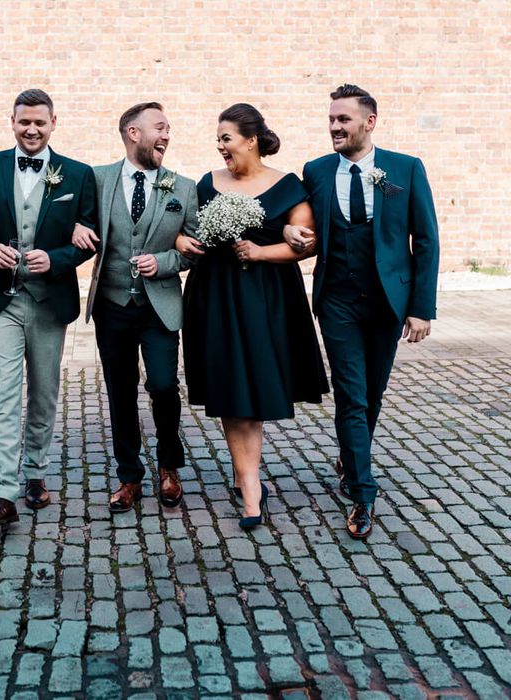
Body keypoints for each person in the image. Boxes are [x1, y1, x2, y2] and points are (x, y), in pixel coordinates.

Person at [284, 84, 439, 540]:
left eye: (343, 120)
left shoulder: (406, 169)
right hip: (337, 300)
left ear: (369, 122)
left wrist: (420, 308)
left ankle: (351, 456)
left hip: (389, 301)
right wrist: (294, 233)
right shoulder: (315, 170)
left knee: (372, 392)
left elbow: (425, 240)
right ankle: (362, 494)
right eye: (331, 119)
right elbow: (293, 216)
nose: (334, 127)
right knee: (351, 393)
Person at [176, 103, 328, 530]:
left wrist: (264, 248)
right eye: (218, 139)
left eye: (226, 138)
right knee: (229, 386)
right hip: (215, 295)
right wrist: (180, 239)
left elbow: (307, 244)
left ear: (251, 139)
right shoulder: (207, 184)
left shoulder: (288, 186)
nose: (220, 146)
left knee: (253, 387)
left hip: (266, 298)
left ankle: (249, 477)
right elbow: (182, 225)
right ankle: (248, 481)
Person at [0, 89, 98, 528]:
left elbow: (91, 235)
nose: (31, 129)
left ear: (54, 122)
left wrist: (57, 259)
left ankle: (35, 472)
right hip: (1, 299)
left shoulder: (77, 174)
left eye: (40, 122)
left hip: (49, 300)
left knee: (44, 391)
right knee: (4, 390)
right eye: (24, 122)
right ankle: (2, 492)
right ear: (12, 122)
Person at [72, 102, 198, 513]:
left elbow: (194, 251)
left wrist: (162, 262)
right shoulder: (97, 179)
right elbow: (75, 220)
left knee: (163, 385)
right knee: (119, 392)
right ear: (132, 133)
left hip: (159, 306)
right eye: (160, 128)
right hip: (112, 305)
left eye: (168, 129)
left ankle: (169, 467)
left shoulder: (182, 187)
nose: (166, 136)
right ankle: (129, 476)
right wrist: (74, 225)